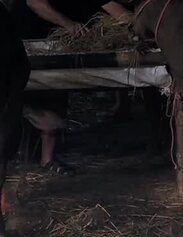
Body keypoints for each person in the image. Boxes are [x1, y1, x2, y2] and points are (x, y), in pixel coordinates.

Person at [10, 0, 132, 175]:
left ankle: (48, 160)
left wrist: (136, 23)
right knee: (22, 102)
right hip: (26, 41)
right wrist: (68, 24)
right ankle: (15, 158)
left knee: (54, 98)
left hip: (55, 44)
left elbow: (114, 9)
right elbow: (35, 2)